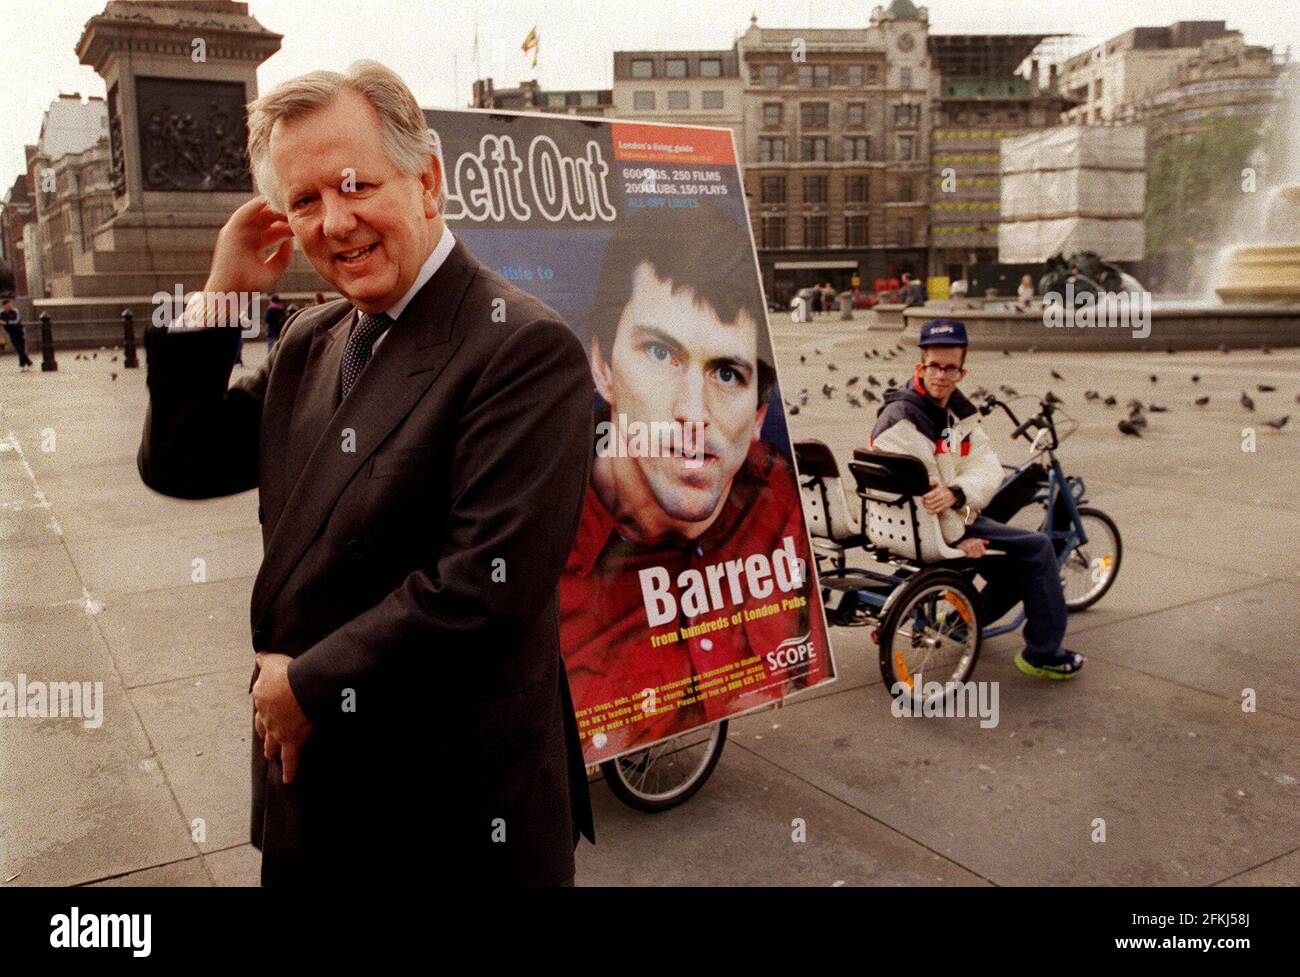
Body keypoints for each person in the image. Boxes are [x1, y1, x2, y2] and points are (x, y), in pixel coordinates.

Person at [136, 60, 594, 885]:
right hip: (313, 804)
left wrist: (302, 685)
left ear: (427, 181)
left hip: (449, 819)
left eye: (354, 185)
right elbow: (181, 460)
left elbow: (482, 592)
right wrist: (221, 296)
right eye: (304, 201)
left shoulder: (522, 347)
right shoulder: (313, 339)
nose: (333, 222)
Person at [561, 204, 831, 757]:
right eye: (660, 353)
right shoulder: (544, 537)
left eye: (727, 373)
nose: (694, 413)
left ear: (758, 417)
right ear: (602, 365)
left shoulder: (777, 501)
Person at [869, 318, 1084, 678]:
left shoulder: (952, 414)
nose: (941, 375)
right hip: (936, 529)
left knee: (1014, 559)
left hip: (936, 520)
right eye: (934, 366)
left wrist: (959, 493)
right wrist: (961, 536)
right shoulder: (904, 420)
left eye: (950, 368)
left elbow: (984, 466)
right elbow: (926, 499)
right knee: (1038, 548)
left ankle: (960, 621)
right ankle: (1043, 654)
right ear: (919, 366)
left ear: (962, 372)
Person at [1, 299, 34, 371]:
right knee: (18, 348)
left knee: (21, 348)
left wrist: (6, 323)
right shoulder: (2, 313)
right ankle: (28, 363)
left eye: (10, 305)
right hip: (11, 333)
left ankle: (24, 365)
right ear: (4, 306)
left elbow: (16, 321)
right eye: (8, 305)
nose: (10, 306)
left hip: (19, 331)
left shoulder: (15, 311)